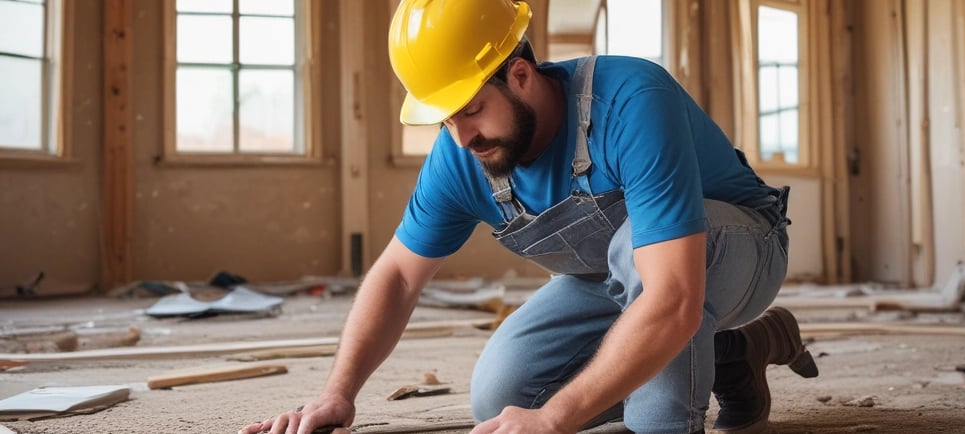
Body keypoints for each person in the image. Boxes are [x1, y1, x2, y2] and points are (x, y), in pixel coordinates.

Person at [239, 0, 818, 433]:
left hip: (738, 248)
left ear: (520, 75)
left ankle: (675, 400)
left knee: (649, 393)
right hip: (616, 280)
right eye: (445, 119)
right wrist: (339, 393)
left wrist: (560, 417)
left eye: (471, 111)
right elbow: (396, 276)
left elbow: (670, 297)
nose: (462, 137)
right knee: (504, 399)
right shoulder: (462, 152)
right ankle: (734, 351)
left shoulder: (631, 100)